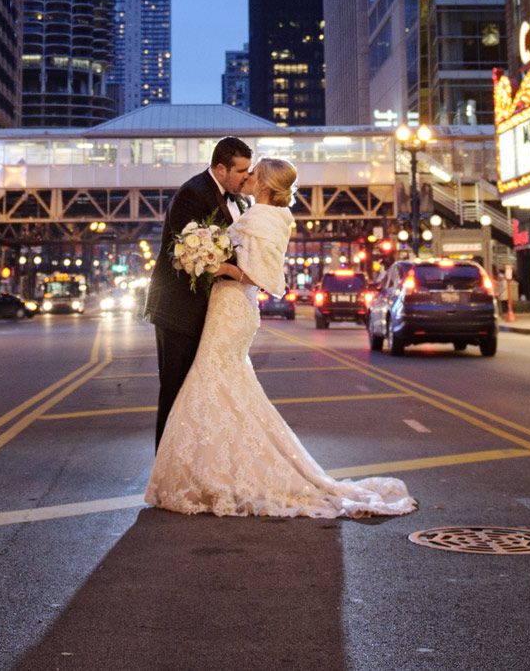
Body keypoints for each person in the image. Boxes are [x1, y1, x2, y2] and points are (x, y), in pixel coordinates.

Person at [146, 159, 415, 519]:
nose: (248, 176)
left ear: (265, 183)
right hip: (229, 308)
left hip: (231, 308)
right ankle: (213, 467)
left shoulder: (261, 217)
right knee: (224, 388)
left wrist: (217, 264)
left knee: (212, 383)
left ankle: (209, 472)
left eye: (254, 172)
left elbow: (263, 277)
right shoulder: (263, 213)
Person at [146, 136, 255, 448]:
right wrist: (234, 271)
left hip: (216, 311)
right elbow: (184, 253)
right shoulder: (192, 194)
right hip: (179, 309)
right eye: (241, 171)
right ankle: (166, 471)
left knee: (203, 391)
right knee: (176, 388)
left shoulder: (241, 200)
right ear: (220, 169)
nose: (247, 177)